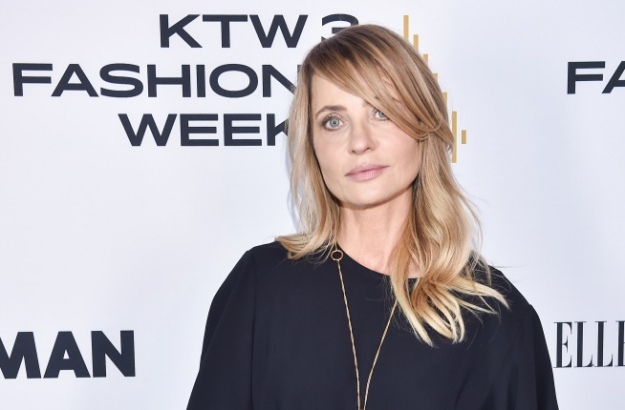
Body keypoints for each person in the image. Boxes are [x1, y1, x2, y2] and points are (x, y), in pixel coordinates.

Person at [187, 24, 559, 410]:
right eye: (333, 121)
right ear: (313, 146)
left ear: (423, 124)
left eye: (381, 112)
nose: (359, 142)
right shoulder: (261, 286)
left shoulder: (495, 318)